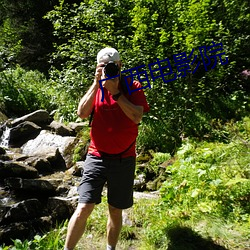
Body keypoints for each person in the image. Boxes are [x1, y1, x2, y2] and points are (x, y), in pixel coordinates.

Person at [64, 47, 150, 250]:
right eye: (103, 66)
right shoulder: (96, 88)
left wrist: (116, 93)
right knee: (84, 205)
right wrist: (96, 84)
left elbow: (137, 116)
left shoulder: (132, 86)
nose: (108, 69)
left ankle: (110, 248)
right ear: (97, 67)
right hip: (97, 155)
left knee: (115, 209)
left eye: (112, 66)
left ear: (120, 65)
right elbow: (82, 113)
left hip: (124, 157)